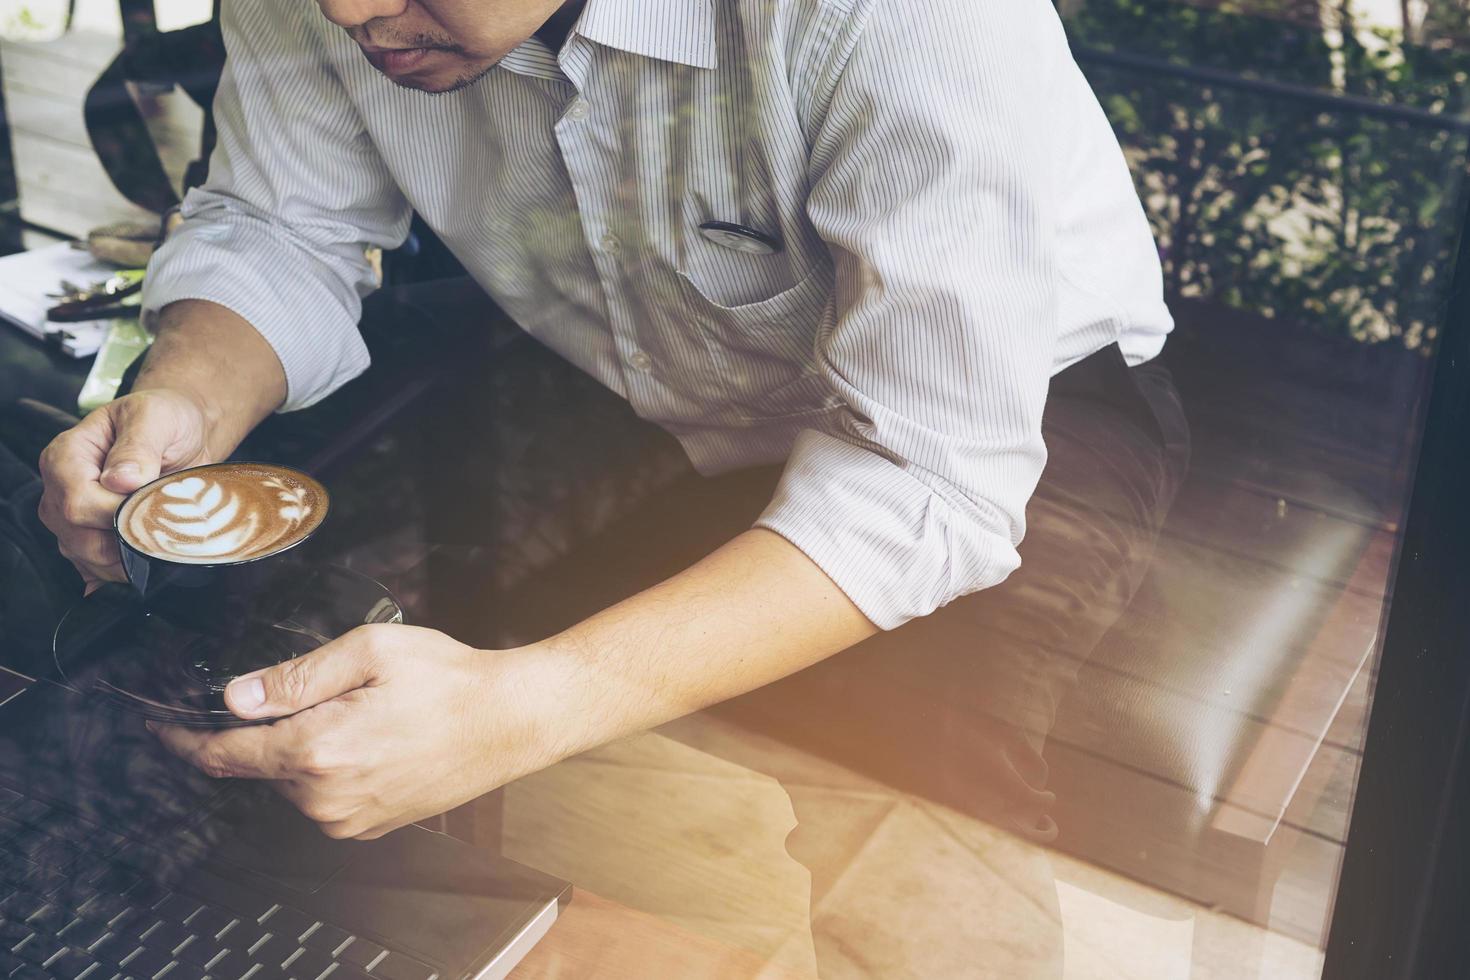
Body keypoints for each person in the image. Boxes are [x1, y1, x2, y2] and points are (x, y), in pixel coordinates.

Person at [37, 0, 1178, 853]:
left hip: (1014, 417)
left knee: (922, 822)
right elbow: (279, 226)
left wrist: (530, 704)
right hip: (684, 408)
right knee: (512, 786)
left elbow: (930, 479)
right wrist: (183, 395)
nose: (341, 11)